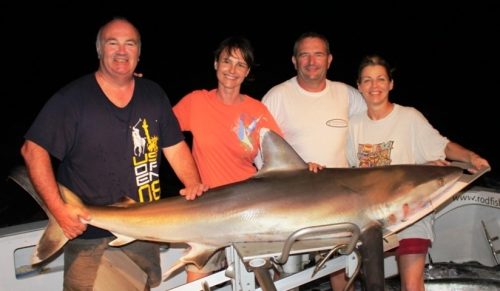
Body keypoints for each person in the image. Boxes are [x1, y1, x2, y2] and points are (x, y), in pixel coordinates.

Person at [20, 18, 207, 291]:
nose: (122, 51)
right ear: (99, 50)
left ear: (139, 53)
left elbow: (175, 145)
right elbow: (32, 149)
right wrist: (60, 211)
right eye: (112, 43)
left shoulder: (153, 94)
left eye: (129, 44)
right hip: (92, 237)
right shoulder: (73, 99)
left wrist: (192, 184)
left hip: (144, 229)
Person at [347, 54, 490, 291]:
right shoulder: (353, 125)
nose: (375, 86)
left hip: (411, 211)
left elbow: (442, 145)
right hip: (373, 217)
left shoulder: (408, 117)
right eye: (368, 80)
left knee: (412, 286)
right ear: (359, 86)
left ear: (391, 84)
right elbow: (349, 169)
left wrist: (471, 157)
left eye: (381, 79)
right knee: (371, 285)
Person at [173, 36, 283, 282]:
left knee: (270, 281)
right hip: (206, 206)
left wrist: (305, 168)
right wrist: (138, 93)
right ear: (215, 64)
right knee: (195, 282)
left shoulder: (258, 111)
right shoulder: (196, 102)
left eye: (240, 65)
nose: (232, 70)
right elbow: (161, 131)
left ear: (247, 72)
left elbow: (279, 155)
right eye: (227, 61)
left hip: (249, 208)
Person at [261, 32, 366, 290]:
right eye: (304, 55)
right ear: (294, 61)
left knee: (342, 272)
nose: (311, 61)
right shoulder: (277, 96)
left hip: (339, 204)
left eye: (318, 54)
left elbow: (374, 130)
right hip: (292, 204)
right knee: (288, 276)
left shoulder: (347, 95)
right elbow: (259, 147)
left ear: (329, 60)